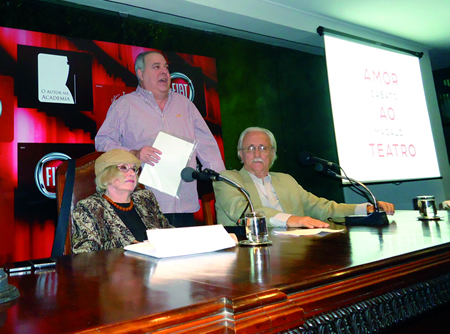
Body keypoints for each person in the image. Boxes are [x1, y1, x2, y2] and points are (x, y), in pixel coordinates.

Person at [95, 51, 225, 227]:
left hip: (185, 204)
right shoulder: (124, 106)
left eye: (166, 67)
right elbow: (102, 142)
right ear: (140, 74)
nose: (164, 72)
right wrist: (134, 154)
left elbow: (208, 147)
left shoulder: (186, 105)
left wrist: (223, 185)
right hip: (143, 206)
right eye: (156, 67)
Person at [213, 127, 395, 228]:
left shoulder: (286, 180)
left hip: (294, 252)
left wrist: (366, 208)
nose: (257, 153)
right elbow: (242, 211)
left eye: (263, 148)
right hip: (250, 256)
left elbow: (321, 207)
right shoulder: (228, 179)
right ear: (241, 154)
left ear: (272, 153)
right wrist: (292, 219)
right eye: (250, 148)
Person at [70, 149, 172, 254]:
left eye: (134, 169)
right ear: (106, 174)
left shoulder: (145, 198)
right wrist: (131, 246)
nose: (132, 173)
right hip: (117, 268)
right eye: (124, 168)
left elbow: (167, 232)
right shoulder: (89, 207)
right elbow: (85, 253)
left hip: (158, 265)